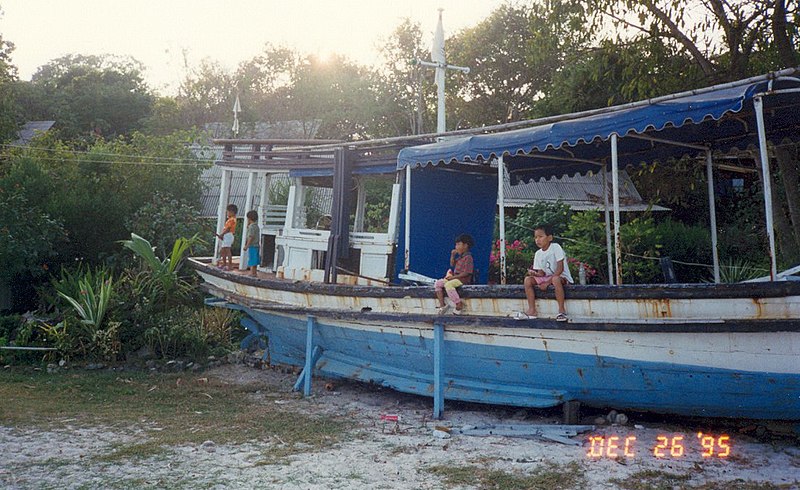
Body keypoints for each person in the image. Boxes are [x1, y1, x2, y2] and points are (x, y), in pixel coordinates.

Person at [521, 224, 573, 321]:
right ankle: (532, 310)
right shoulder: (538, 254)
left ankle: (562, 311)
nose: (537, 240)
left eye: (540, 237)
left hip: (561, 277)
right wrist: (535, 274)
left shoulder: (556, 247)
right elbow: (541, 274)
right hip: (548, 277)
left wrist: (547, 283)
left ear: (549, 238)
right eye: (536, 237)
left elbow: (560, 269)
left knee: (555, 279)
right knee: (528, 280)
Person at [434, 234, 475, 315]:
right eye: (456, 244)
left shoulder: (468, 258)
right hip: (455, 278)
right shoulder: (460, 257)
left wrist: (453, 277)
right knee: (438, 284)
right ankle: (442, 305)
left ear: (465, 245)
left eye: (458, 244)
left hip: (462, 280)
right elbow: (452, 265)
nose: (456, 247)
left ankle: (458, 304)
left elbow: (467, 272)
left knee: (449, 285)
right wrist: (452, 256)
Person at [215, 203, 238, 270]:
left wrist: (222, 234)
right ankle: (224, 264)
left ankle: (229, 265)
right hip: (227, 236)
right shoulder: (231, 219)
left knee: (226, 250)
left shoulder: (231, 220)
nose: (227, 213)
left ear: (232, 212)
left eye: (228, 212)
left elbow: (228, 229)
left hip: (228, 235)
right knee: (223, 251)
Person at [243, 210, 260, 277]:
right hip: (257, 245)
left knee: (252, 259)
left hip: (252, 246)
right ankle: (254, 272)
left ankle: (252, 273)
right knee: (255, 260)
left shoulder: (251, 227)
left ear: (249, 218)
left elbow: (250, 237)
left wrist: (247, 246)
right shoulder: (256, 226)